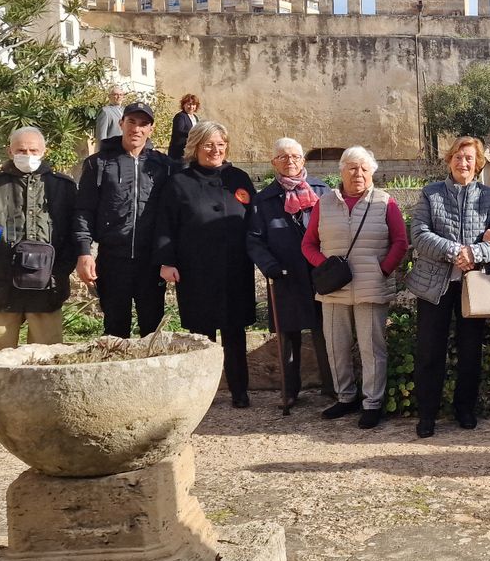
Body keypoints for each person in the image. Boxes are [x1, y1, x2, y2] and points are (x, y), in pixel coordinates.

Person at [301, 145, 408, 429]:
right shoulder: (324, 203)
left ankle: (372, 403)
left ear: (372, 172)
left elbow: (400, 242)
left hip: (371, 286)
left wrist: (382, 269)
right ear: (342, 171)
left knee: (372, 347)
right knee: (336, 345)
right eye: (351, 167)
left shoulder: (385, 202)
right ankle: (345, 397)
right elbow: (308, 244)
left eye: (363, 168)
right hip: (334, 287)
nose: (357, 173)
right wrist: (325, 266)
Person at [408, 137, 490, 438]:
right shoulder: (430, 194)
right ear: (449, 160)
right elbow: (419, 234)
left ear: (478, 164)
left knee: (470, 351)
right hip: (433, 285)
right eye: (458, 157)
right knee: (429, 351)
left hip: (473, 285)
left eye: (469, 158)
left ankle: (465, 409)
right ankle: (427, 414)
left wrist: (475, 253)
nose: (463, 163)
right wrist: (456, 251)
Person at [157, 121, 257, 408]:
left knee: (235, 330)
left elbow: (254, 219)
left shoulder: (239, 177)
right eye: (209, 144)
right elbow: (166, 226)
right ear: (196, 147)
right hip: (196, 269)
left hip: (235, 268)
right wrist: (166, 261)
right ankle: (204, 392)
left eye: (221, 144)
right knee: (202, 334)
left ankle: (240, 391)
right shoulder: (179, 182)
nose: (216, 150)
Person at [0, 126, 78, 353]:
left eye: (33, 150)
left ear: (44, 151)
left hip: (47, 288)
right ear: (9, 151)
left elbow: (74, 232)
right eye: (21, 150)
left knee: (47, 359)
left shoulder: (62, 186)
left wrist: (61, 270)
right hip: (1, 286)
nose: (27, 156)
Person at [74, 102, 172, 338]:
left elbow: (172, 214)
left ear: (151, 128)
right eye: (131, 122)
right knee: (115, 331)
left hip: (151, 262)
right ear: (121, 124)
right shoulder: (98, 163)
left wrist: (171, 256)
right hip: (113, 260)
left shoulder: (164, 166)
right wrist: (84, 252)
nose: (136, 129)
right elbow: (83, 210)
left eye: (143, 124)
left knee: (152, 331)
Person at [247, 137, 330, 414]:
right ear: (274, 163)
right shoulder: (263, 199)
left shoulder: (321, 190)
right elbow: (255, 239)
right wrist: (269, 265)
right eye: (283, 157)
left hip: (319, 273)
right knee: (288, 335)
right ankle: (290, 391)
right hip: (285, 274)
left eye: (295, 156)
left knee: (325, 331)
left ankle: (333, 387)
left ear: (303, 160)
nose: (290, 161)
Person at [168, 93, 200, 164]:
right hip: (180, 152)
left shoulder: (195, 117)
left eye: (193, 104)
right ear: (183, 105)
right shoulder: (180, 116)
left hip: (191, 151)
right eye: (189, 104)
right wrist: (194, 134)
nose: (191, 107)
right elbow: (179, 131)